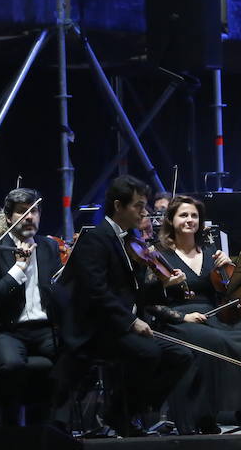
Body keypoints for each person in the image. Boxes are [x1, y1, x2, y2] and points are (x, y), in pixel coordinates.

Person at [60, 175, 193, 436]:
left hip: (123, 325)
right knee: (148, 353)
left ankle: (129, 410)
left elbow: (137, 292)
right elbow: (96, 292)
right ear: (118, 206)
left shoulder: (130, 239)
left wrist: (164, 285)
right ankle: (118, 414)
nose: (144, 212)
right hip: (98, 328)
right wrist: (131, 321)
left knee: (182, 356)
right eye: (138, 206)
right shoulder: (95, 239)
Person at [149, 196, 241, 434]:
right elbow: (149, 302)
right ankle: (204, 416)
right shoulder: (158, 254)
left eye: (194, 215)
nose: (189, 220)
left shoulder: (211, 251)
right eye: (183, 215)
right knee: (214, 341)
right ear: (171, 220)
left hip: (212, 316)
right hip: (178, 318)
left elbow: (227, 292)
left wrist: (228, 267)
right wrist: (182, 317)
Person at [0, 188, 62, 424]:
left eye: (34, 211)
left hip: (44, 327)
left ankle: (50, 427)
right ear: (9, 217)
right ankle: (10, 428)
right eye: (23, 212)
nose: (30, 217)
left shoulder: (49, 247)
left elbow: (55, 292)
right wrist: (19, 269)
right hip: (6, 330)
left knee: (75, 353)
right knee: (11, 365)